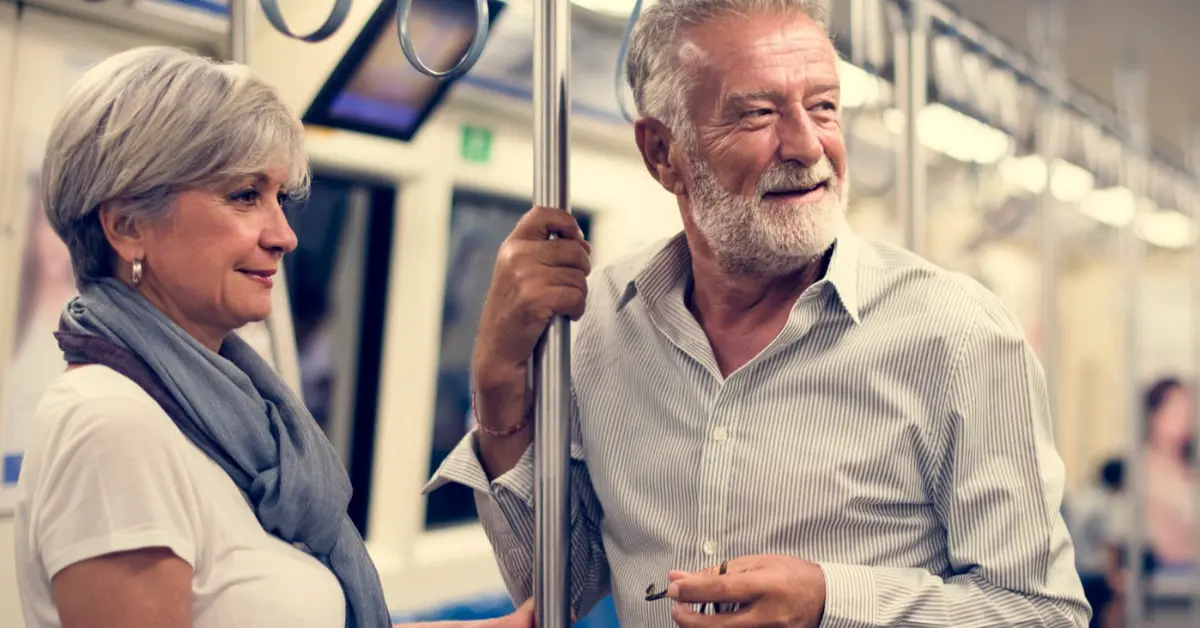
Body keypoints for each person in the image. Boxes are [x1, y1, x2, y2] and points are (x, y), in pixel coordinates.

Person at [426, 1, 1090, 626]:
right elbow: (559, 589)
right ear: (663, 153)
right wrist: (498, 376)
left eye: (824, 107)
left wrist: (832, 604)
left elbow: (1045, 611)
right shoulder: (597, 328)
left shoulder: (961, 338)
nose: (806, 145)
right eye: (757, 115)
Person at [13, 46, 533, 628]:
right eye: (244, 196)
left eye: (278, 199)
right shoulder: (111, 425)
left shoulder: (228, 416)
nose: (284, 235)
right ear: (127, 226)